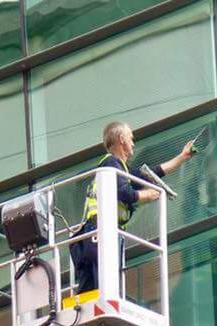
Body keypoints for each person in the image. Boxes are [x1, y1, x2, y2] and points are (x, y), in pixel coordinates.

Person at [69, 121, 194, 294]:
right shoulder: (111, 164)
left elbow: (153, 172)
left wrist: (182, 157)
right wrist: (146, 195)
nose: (133, 142)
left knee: (93, 290)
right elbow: (125, 193)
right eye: (131, 138)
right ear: (121, 139)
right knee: (106, 287)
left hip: (96, 233)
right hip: (101, 233)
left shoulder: (121, 170)